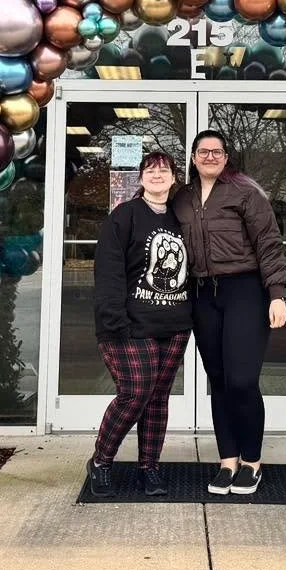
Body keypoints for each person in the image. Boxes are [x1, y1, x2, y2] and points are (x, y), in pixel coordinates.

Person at [173, 130, 286, 497]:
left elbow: (268, 243)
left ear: (226, 158)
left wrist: (276, 294)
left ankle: (252, 461)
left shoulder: (244, 192)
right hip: (202, 295)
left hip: (245, 291)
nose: (210, 156)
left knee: (241, 380)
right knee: (219, 381)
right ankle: (228, 460)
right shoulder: (182, 197)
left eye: (217, 152)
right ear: (192, 158)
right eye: (203, 151)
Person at [87, 151, 192, 498]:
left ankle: (150, 467)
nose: (157, 174)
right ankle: (101, 461)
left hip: (175, 324)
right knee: (134, 393)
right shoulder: (125, 216)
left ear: (174, 177)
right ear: (141, 178)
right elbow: (109, 272)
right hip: (130, 325)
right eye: (150, 169)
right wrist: (114, 321)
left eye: (164, 169)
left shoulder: (182, 217)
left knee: (158, 398)